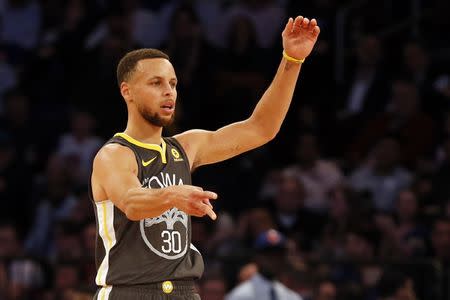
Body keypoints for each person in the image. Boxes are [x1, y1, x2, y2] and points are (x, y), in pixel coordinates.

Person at [89, 15, 320, 300]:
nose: (168, 91)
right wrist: (172, 195)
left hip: (185, 292)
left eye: (173, 83)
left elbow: (261, 128)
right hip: (129, 292)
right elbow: (131, 203)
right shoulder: (114, 155)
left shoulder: (186, 147)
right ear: (128, 91)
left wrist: (292, 61)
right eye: (156, 83)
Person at [225, 229, 303, 300]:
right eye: (268, 255)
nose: (274, 260)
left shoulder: (291, 297)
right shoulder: (239, 296)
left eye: (279, 255)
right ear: (257, 257)